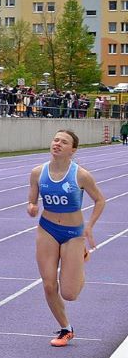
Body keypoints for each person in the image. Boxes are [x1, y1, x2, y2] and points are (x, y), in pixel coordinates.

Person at [27, 130, 106, 347]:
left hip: (73, 234)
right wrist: (32, 207)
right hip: (47, 229)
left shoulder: (81, 175)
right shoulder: (37, 172)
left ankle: (79, 260)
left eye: (64, 142)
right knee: (48, 285)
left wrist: (89, 226)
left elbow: (100, 200)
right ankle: (66, 329)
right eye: (56, 140)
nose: (58, 144)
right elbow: (32, 200)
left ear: (73, 150)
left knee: (69, 294)